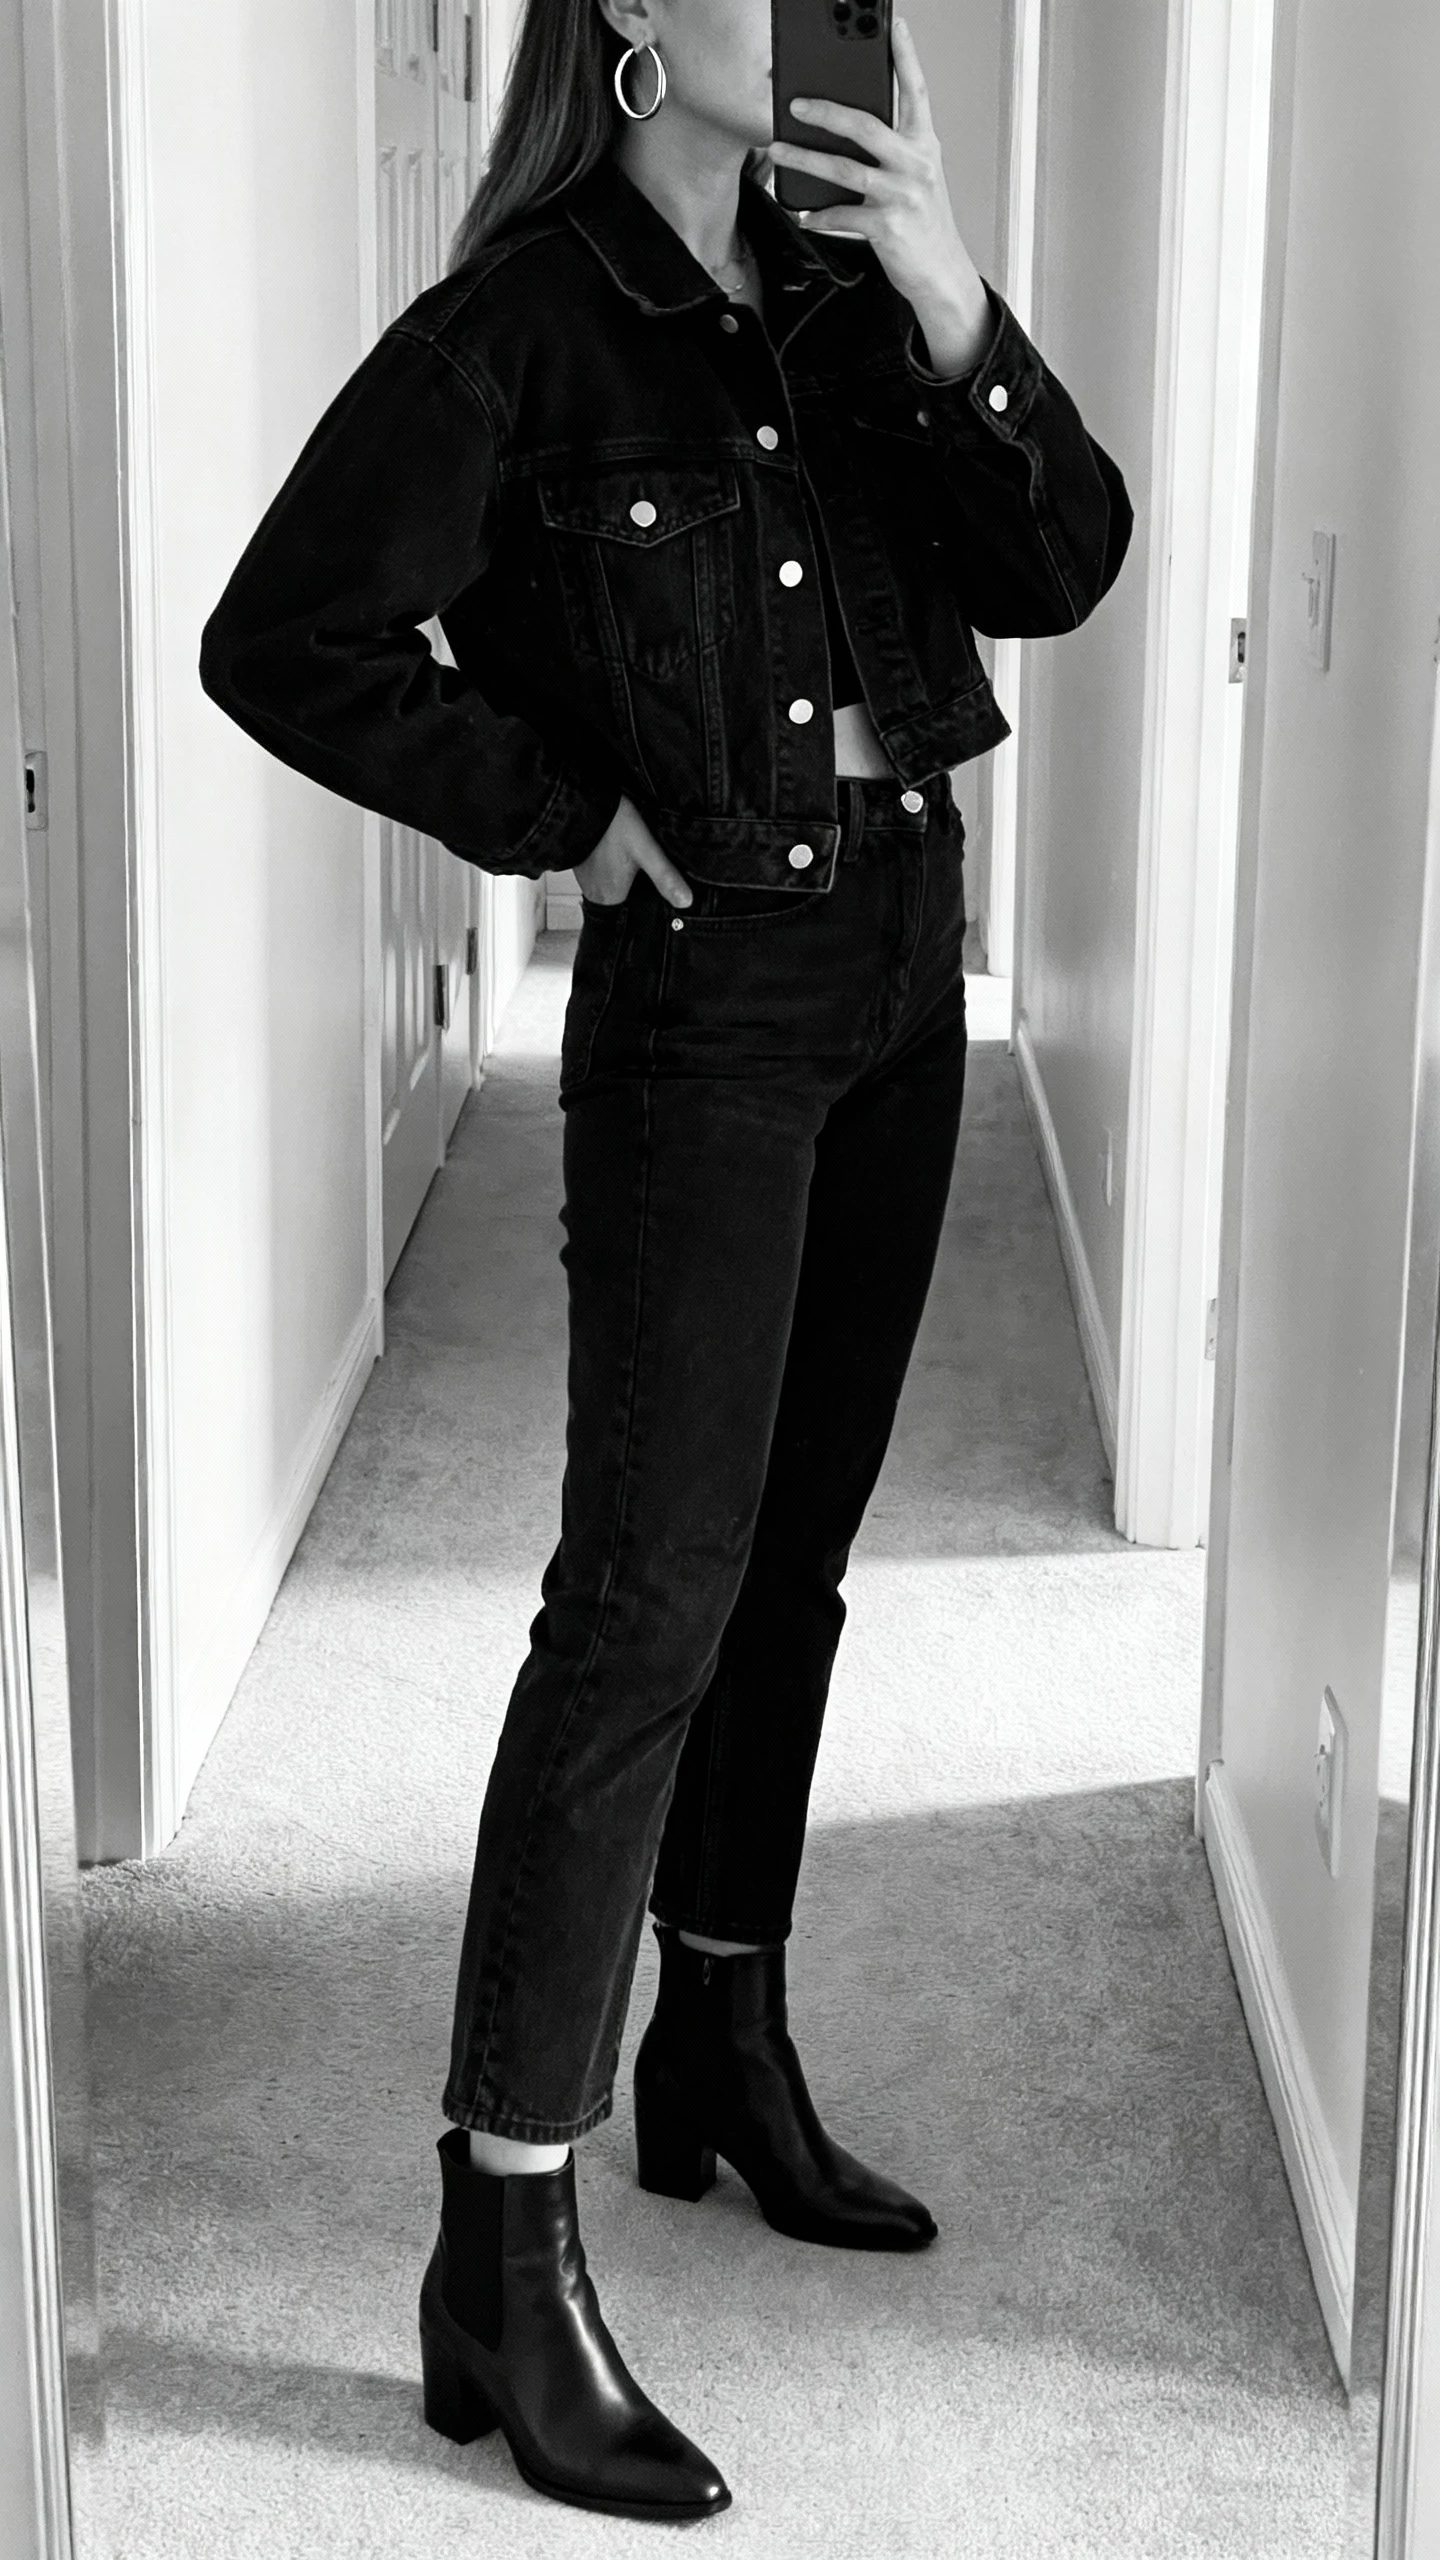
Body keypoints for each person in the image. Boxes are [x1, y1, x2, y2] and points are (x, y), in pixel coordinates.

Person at [200, 0, 1131, 2524]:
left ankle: (720, 2037)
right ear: (626, 13)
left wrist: (950, 286)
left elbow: (1063, 563)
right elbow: (284, 636)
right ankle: (499, 2244)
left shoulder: (852, 294)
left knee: (795, 1558)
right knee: (646, 1600)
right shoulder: (517, 331)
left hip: (901, 969)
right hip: (707, 1001)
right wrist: (558, 814)